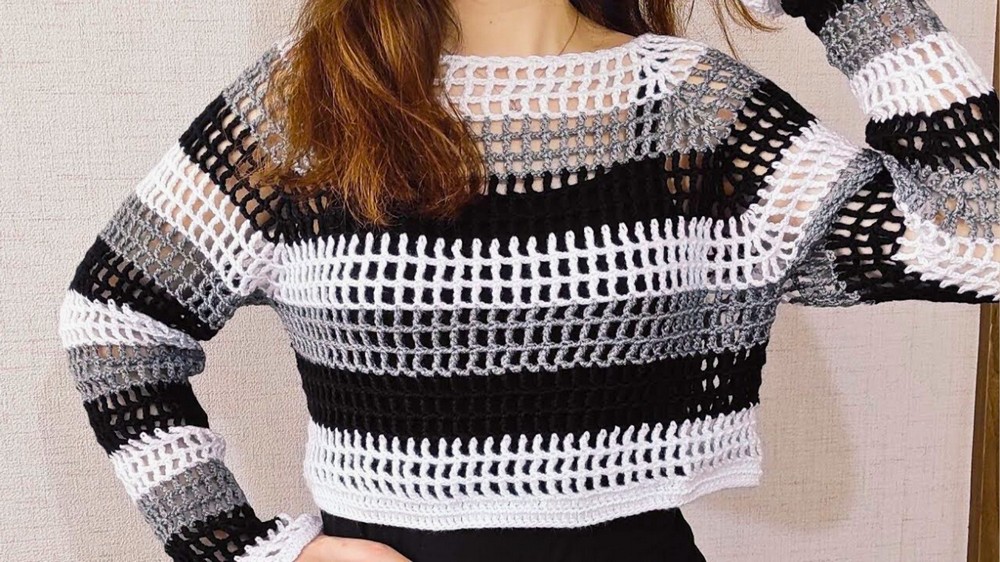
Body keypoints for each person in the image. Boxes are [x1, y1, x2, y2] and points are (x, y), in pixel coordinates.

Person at [56, 0, 999, 560]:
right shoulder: (308, 103)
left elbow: (978, 237)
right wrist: (237, 547)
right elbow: (115, 319)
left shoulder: (695, 110)